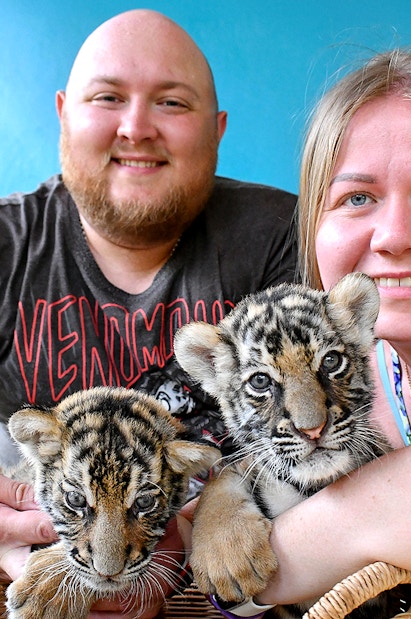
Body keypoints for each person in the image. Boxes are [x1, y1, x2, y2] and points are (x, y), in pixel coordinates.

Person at [0, 9, 297, 618]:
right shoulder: (6, 244)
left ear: (216, 130)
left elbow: (319, 434)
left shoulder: (282, 237)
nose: (136, 128)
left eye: (172, 104)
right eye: (108, 97)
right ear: (63, 114)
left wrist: (208, 512)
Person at [249, 48, 411, 611]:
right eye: (357, 198)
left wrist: (336, 527)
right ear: (314, 231)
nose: (395, 236)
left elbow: (255, 581)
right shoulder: (330, 386)